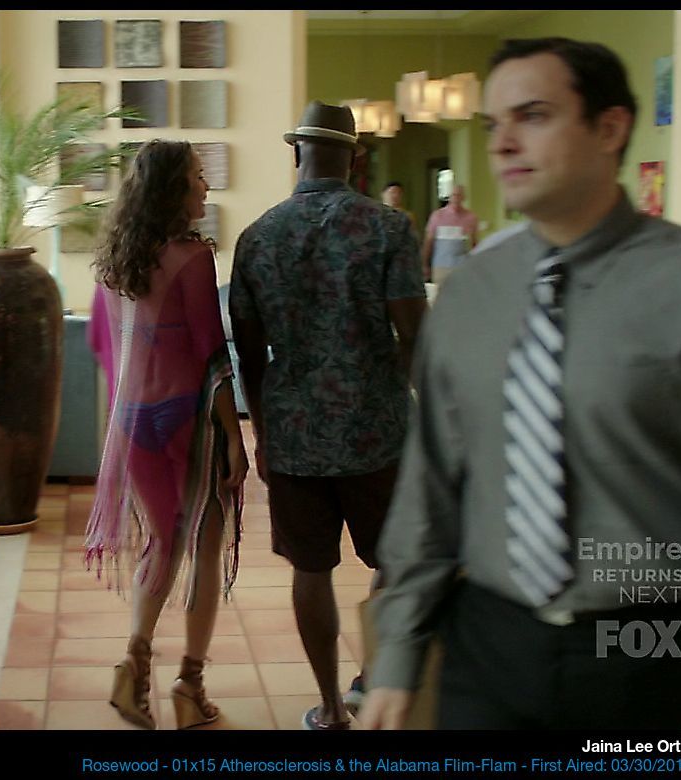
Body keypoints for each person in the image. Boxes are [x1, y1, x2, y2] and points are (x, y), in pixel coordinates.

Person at [360, 37, 681, 731]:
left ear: (610, 128)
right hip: (491, 646)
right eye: (492, 124)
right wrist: (398, 652)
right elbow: (431, 486)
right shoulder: (471, 294)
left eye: (533, 116)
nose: (502, 143)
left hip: (653, 644)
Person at [229, 102, 427, 730]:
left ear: (297, 152)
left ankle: (331, 708)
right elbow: (414, 334)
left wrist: (263, 434)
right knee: (397, 561)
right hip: (378, 432)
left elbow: (248, 352)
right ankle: (373, 680)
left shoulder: (257, 237)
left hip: (293, 436)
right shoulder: (388, 228)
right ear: (355, 158)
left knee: (311, 569)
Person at [84, 139, 249, 731]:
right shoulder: (193, 257)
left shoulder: (113, 264)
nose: (205, 186)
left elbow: (100, 345)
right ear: (173, 188)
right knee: (205, 543)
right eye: (197, 176)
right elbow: (212, 353)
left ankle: (133, 666)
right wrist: (234, 437)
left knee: (161, 541)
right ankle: (189, 687)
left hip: (132, 424)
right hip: (186, 418)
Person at [421, 183, 479, 285]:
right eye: (454, 195)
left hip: (462, 266)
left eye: (459, 195)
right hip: (440, 266)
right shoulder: (437, 216)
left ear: (464, 198)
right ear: (449, 197)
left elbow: (474, 244)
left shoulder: (471, 217)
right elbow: (428, 242)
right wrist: (424, 264)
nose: (456, 198)